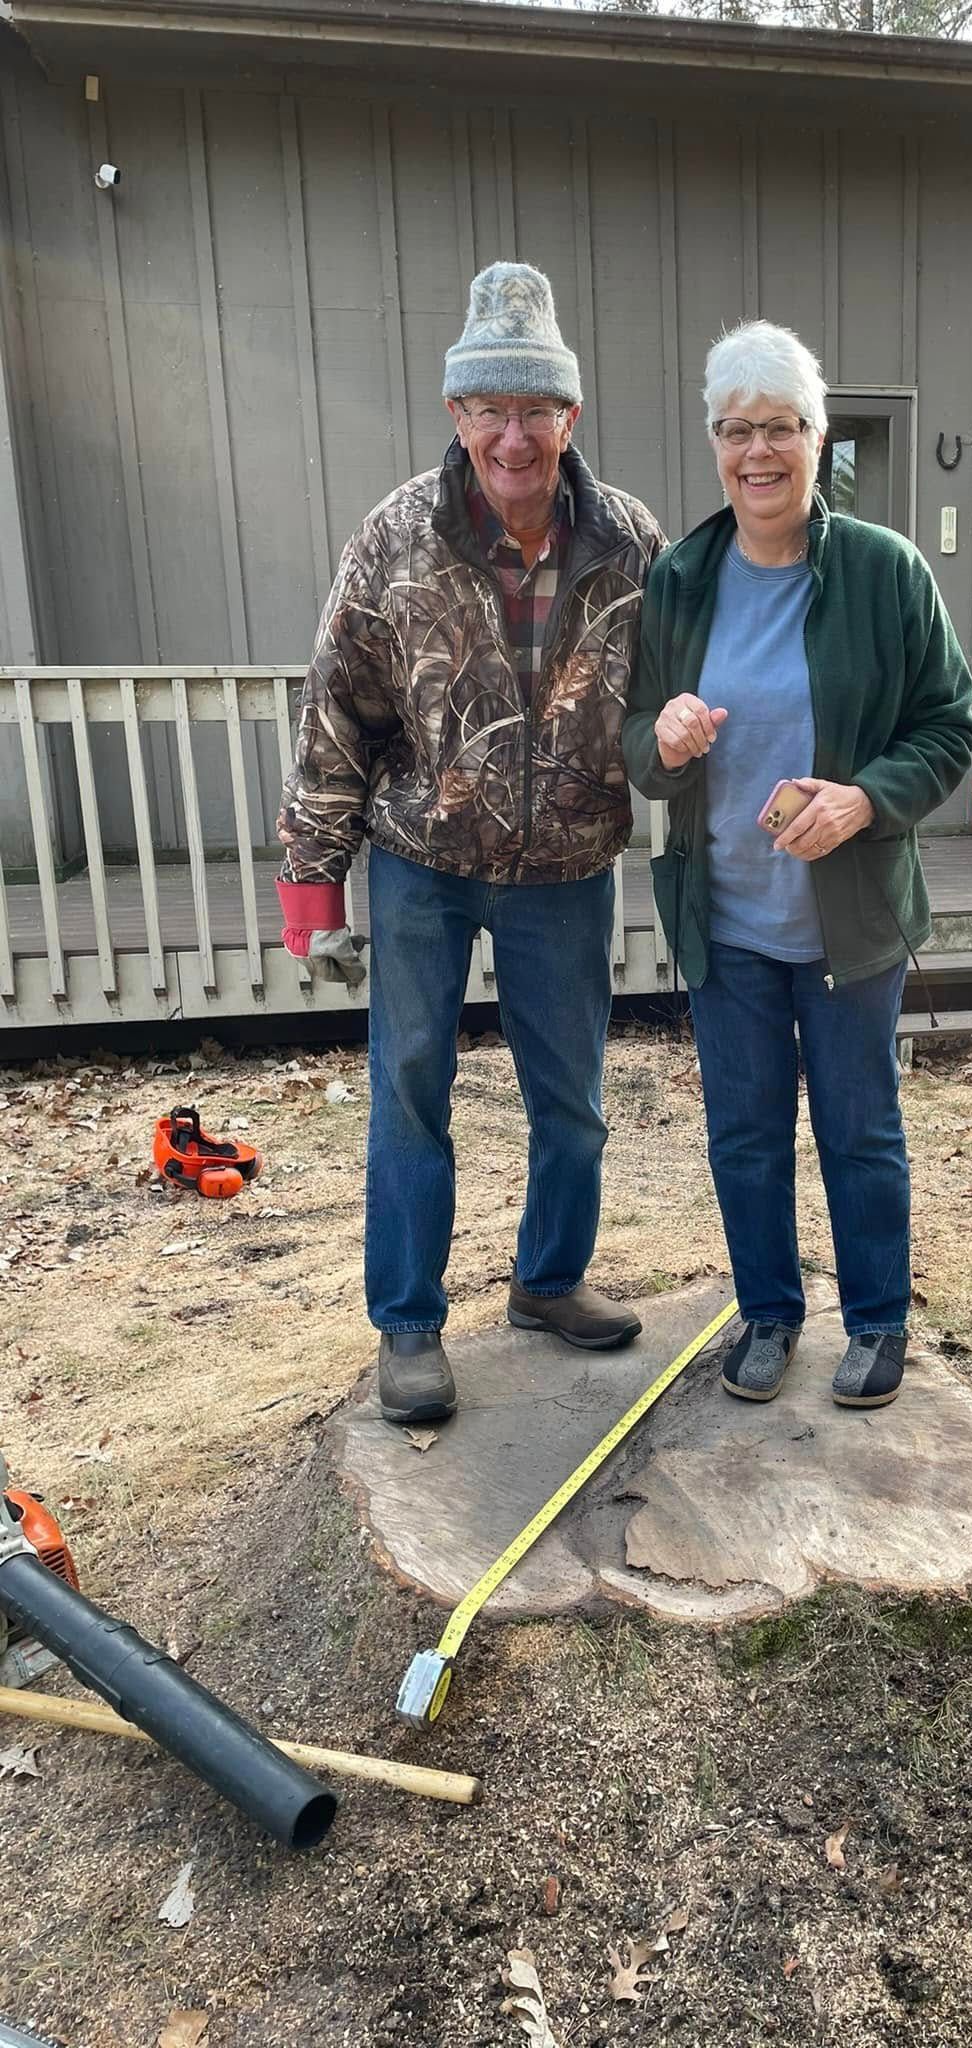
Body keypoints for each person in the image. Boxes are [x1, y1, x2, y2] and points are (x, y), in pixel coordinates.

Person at [274, 263, 664, 1427]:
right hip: (421, 861)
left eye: (534, 408)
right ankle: (407, 1320)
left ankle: (548, 1279)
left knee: (574, 1096)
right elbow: (336, 706)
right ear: (456, 414)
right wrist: (311, 880)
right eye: (488, 407)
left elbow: (671, 704)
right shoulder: (395, 535)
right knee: (410, 1087)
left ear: (569, 417)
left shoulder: (630, 540)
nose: (513, 434)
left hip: (566, 870)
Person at [623, 321, 972, 1411]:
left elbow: (949, 725)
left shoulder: (885, 572)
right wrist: (665, 738)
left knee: (859, 1127)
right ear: (716, 442)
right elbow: (637, 742)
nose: (757, 452)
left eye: (780, 427)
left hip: (850, 921)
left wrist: (867, 797)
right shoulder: (680, 577)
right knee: (744, 1131)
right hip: (725, 919)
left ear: (819, 441)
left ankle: (876, 1319)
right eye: (737, 430)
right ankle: (769, 1311)